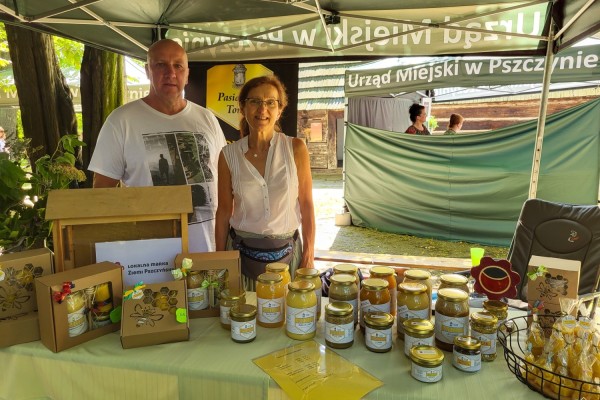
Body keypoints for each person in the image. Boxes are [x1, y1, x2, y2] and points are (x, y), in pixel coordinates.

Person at [88, 39, 226, 252]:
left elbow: (226, 181)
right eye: (160, 64)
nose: (170, 73)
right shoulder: (121, 121)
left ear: (187, 74)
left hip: (206, 250)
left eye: (178, 65)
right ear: (147, 70)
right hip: (148, 256)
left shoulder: (206, 119)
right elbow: (101, 193)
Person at [215, 75, 315, 289]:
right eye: (255, 101)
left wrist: (309, 255)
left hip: (288, 257)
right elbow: (223, 211)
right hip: (242, 259)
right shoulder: (228, 155)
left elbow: (306, 205)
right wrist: (220, 259)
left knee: (288, 319)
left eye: (271, 102)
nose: (263, 109)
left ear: (280, 109)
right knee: (243, 317)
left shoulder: (296, 149)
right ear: (242, 107)